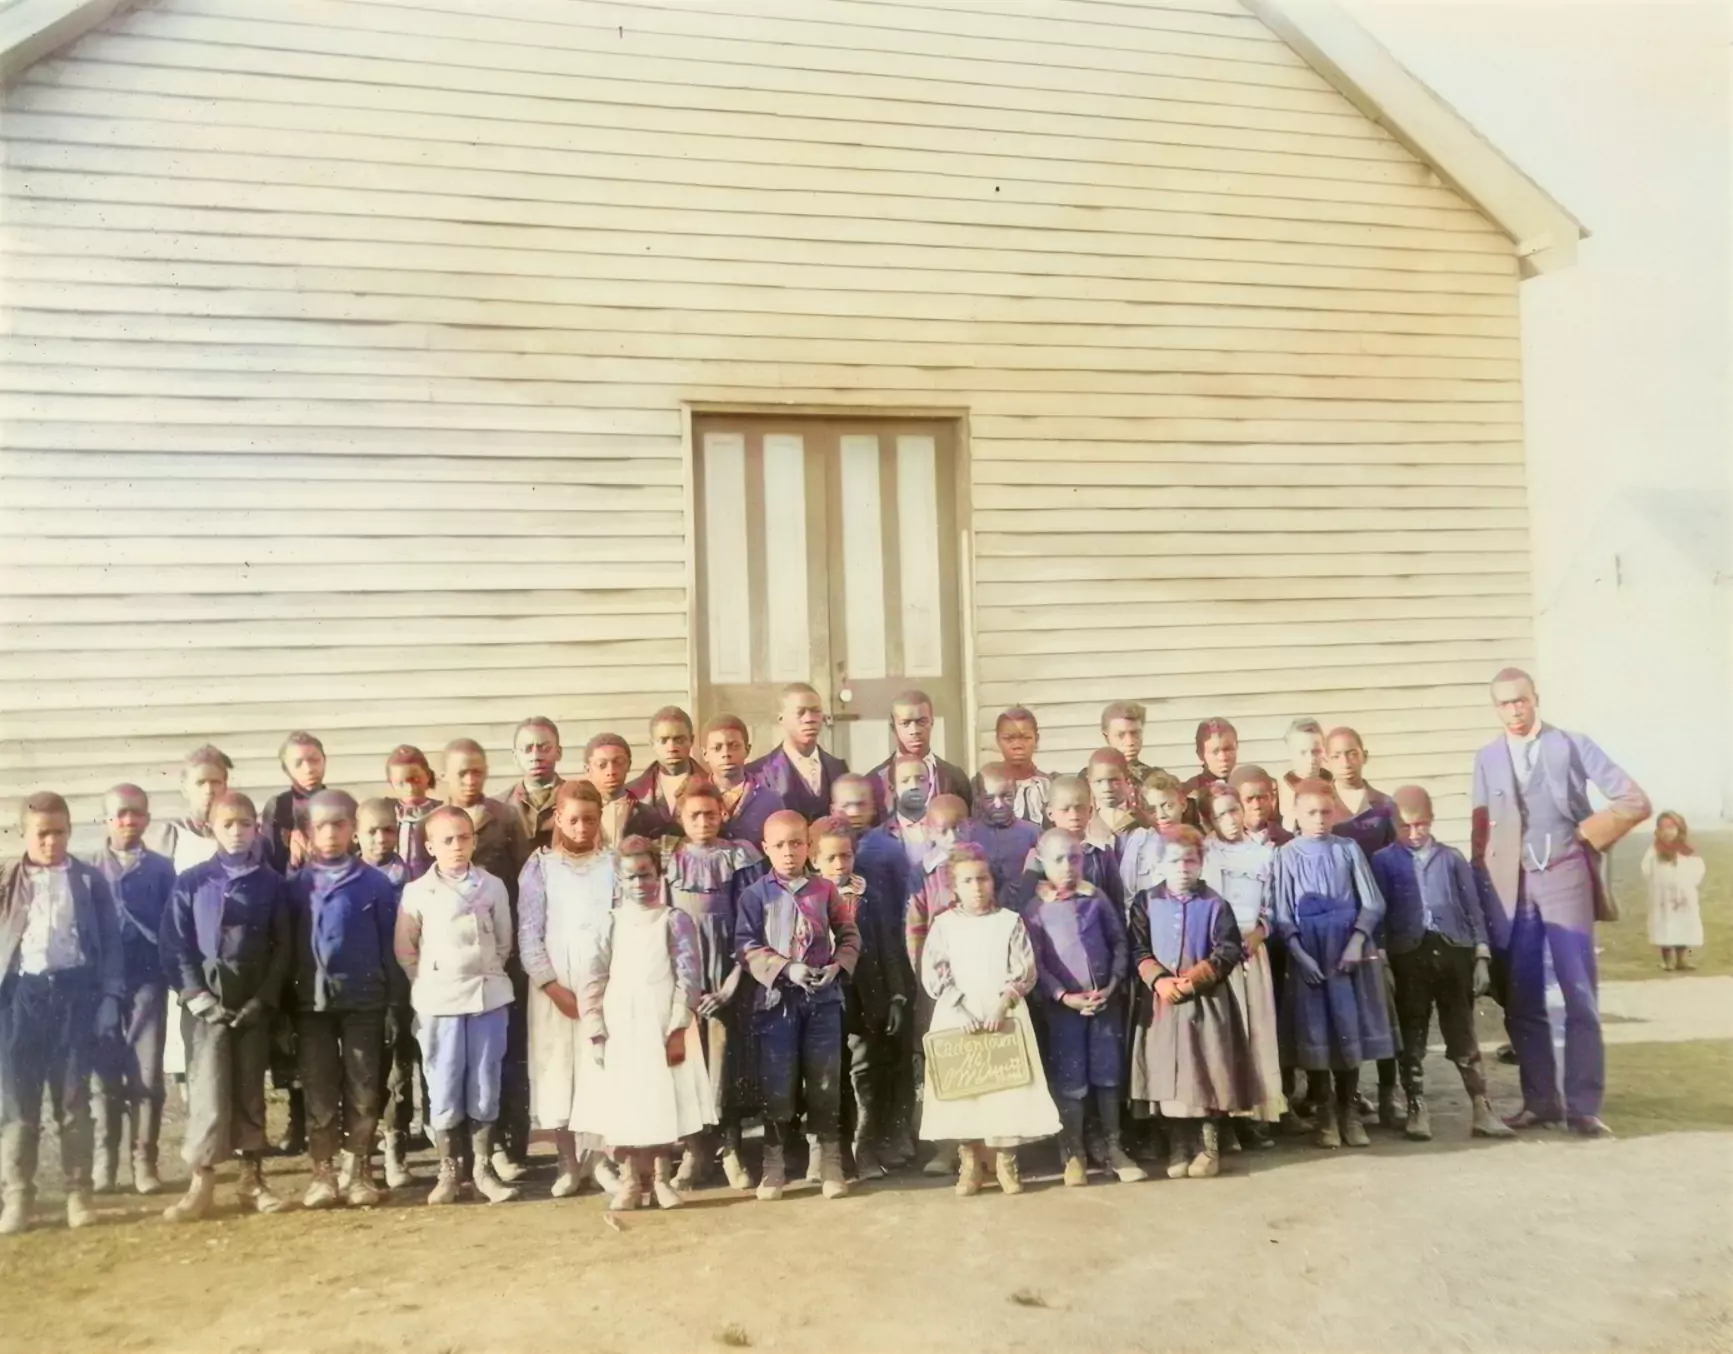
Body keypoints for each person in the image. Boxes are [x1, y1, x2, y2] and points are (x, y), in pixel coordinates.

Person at [1471, 667, 1650, 1137]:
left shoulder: (1571, 744)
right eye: (1504, 703)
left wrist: (1585, 838)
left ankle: (1584, 1105)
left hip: (1565, 874)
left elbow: (1633, 800)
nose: (1514, 711)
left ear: (1536, 699)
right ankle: (1541, 1102)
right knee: (1522, 998)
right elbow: (1479, 834)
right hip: (1512, 888)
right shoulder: (1488, 757)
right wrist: (1483, 895)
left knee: (1579, 992)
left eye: (1521, 701)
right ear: (1496, 708)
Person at [158, 792, 293, 1223]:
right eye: (227, 824)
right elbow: (174, 944)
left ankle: (252, 1180)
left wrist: (263, 999)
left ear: (257, 827)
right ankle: (202, 1180)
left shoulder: (272, 883)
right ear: (211, 828)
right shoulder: (193, 881)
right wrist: (197, 996)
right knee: (208, 1090)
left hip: (252, 1005)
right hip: (206, 1008)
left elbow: (283, 947)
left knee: (250, 1089)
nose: (237, 832)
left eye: (245, 823)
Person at [0, 793, 126, 1235]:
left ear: (70, 831)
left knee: (74, 1101)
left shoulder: (89, 881)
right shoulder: (7, 879)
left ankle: (78, 1191)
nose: (51, 842)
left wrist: (110, 998)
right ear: (24, 834)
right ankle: (17, 1193)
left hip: (74, 997)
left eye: (59, 832)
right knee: (18, 1102)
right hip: (21, 999)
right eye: (42, 834)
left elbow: (110, 944)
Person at [1370, 787, 1515, 1142]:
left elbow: (1473, 908)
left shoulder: (1451, 859)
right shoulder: (1383, 861)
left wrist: (1481, 955)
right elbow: (1379, 914)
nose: (1414, 833)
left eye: (1420, 825)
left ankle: (1482, 1108)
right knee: (1412, 1033)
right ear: (1394, 825)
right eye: (1406, 827)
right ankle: (1417, 1107)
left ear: (1432, 821)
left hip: (1454, 952)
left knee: (1462, 1031)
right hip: (1408, 954)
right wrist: (1384, 959)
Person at [579, 836, 714, 1213]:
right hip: (621, 1023)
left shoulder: (674, 920)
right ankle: (629, 1181)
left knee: (660, 1100)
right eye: (630, 878)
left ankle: (660, 1179)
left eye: (646, 875)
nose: (639, 885)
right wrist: (596, 1029)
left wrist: (676, 1027)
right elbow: (594, 978)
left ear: (660, 874)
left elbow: (689, 976)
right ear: (618, 881)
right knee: (626, 1103)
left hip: (661, 1021)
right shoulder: (609, 922)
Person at [917, 843, 1059, 1197]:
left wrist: (1003, 1004)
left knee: (1005, 1091)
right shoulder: (945, 925)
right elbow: (935, 971)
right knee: (966, 1092)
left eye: (982, 879)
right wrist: (959, 1008)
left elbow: (1023, 970)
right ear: (954, 887)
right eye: (967, 881)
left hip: (1002, 1014)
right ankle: (969, 1163)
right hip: (958, 1015)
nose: (977, 887)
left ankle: (1005, 1162)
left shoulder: (1008, 922)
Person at [394, 806, 519, 1205]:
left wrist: (485, 970)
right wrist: (427, 981)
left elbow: (503, 940)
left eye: (463, 838)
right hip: (439, 1000)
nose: (456, 847)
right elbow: (405, 948)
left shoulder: (492, 886)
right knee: (444, 1081)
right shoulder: (417, 891)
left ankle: (481, 1169)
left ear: (474, 841)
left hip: (487, 995)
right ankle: (449, 1172)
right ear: (430, 846)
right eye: (446, 840)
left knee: (484, 1080)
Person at [736, 810, 861, 1201]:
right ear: (765, 849)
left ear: (808, 846)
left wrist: (838, 966)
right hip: (777, 1003)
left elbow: (849, 935)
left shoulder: (825, 891)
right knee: (779, 1081)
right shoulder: (755, 895)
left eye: (796, 843)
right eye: (779, 845)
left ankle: (830, 1161)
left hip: (822, 1001)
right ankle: (774, 1165)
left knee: (825, 1080)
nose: (789, 853)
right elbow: (745, 945)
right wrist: (786, 970)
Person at [286, 790, 402, 1209]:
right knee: (318, 1091)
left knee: (364, 1088)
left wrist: (392, 1005)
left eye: (340, 824)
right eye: (321, 826)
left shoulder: (375, 883)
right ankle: (323, 1173)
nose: (331, 833)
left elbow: (391, 949)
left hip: (365, 1004)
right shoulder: (297, 886)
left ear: (353, 828)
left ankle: (358, 1172)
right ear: (307, 832)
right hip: (311, 1006)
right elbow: (285, 948)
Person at [1272, 779, 1395, 1150]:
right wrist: (1300, 955)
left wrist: (1358, 941)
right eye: (1311, 812)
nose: (1320, 819)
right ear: (1296, 814)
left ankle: (1349, 1111)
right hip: (1310, 954)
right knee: (1316, 1033)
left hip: (1347, 953)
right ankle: (1325, 1115)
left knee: (1348, 1028)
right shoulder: (1287, 855)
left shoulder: (1348, 850)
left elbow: (1372, 902)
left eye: (1326, 811)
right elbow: (1280, 913)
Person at [1128, 828, 1251, 1180]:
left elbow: (1227, 951)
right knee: (1168, 1072)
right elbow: (1138, 947)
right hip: (1162, 1003)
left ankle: (1207, 1145)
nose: (1182, 868)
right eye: (1174, 860)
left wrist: (1193, 980)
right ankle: (1178, 1144)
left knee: (1205, 1069)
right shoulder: (1146, 902)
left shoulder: (1215, 904)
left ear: (1201, 862)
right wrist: (1160, 980)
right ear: (1159, 864)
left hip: (1205, 1003)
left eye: (1190, 860)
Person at [517, 779, 619, 1199]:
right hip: (554, 991)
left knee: (599, 1067)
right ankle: (566, 1162)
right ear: (558, 818)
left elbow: (622, 921)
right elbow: (528, 933)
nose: (581, 827)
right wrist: (550, 985)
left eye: (590, 819)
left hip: (603, 986)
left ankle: (600, 1159)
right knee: (558, 1070)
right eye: (573, 819)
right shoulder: (540, 868)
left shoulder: (613, 864)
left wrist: (610, 984)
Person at [1021, 829, 1140, 1186]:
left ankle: (1114, 1146)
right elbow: (1035, 964)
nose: (1068, 866)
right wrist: (1062, 996)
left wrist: (1113, 984)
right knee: (1071, 1081)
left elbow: (1119, 942)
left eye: (1074, 858)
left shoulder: (1097, 898)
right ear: (1041, 861)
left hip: (1104, 1002)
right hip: (1065, 1011)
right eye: (1058, 859)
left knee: (1107, 1075)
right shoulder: (1036, 909)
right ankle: (1072, 1150)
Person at [661, 782, 764, 1191]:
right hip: (684, 977)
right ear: (680, 818)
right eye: (694, 815)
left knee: (727, 1067)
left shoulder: (739, 856)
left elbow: (752, 922)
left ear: (723, 813)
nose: (703, 822)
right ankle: (694, 1151)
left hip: (729, 977)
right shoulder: (670, 858)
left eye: (711, 814)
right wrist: (683, 985)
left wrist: (733, 982)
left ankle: (731, 1149)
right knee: (688, 1065)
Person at [441, 738, 532, 1181]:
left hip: (498, 949)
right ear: (446, 777)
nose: (472, 780)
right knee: (451, 1057)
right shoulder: (436, 823)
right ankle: (456, 1152)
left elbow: (521, 877)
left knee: (500, 1051)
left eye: (478, 771)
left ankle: (503, 1145)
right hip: (450, 961)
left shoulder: (504, 816)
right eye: (462, 773)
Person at [87, 784, 177, 1196]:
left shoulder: (160, 869)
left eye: (136, 814)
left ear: (147, 817)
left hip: (146, 983)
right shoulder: (88, 869)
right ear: (107, 819)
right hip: (101, 988)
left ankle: (145, 1160)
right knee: (103, 1077)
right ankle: (104, 1161)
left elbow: (171, 926)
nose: (128, 821)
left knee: (146, 1074)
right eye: (120, 814)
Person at [809, 815, 907, 1180]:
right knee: (826, 1076)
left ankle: (865, 1150)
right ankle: (830, 1152)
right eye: (831, 858)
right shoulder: (807, 896)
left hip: (866, 998)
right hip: (823, 998)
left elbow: (889, 944)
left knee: (865, 1077)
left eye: (846, 856)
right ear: (815, 860)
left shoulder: (869, 895)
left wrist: (896, 994)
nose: (840, 865)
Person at [1323, 726, 1400, 1129]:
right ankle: (1348, 1098)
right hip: (1337, 924)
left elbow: (1394, 872)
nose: (1346, 762)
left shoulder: (1384, 806)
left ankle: (1390, 1092)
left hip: (1377, 921)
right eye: (1337, 755)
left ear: (1363, 755)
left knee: (1386, 1009)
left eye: (1352, 753)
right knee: (1344, 1014)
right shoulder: (1322, 806)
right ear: (1325, 760)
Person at [1200, 785, 1285, 1139]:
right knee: (1230, 1030)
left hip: (1253, 951)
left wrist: (1260, 932)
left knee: (1258, 1030)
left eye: (1234, 810)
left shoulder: (1262, 854)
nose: (1230, 820)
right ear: (1208, 819)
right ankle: (1229, 1114)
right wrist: (1229, 943)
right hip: (1221, 952)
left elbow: (1272, 904)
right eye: (1220, 814)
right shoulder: (1207, 854)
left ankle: (1257, 1114)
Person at [357, 797, 418, 1187]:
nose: (382, 838)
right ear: (357, 834)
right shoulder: (349, 875)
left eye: (389, 830)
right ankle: (362, 1154)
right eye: (372, 831)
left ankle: (395, 1149)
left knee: (399, 1070)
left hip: (399, 984)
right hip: (361, 988)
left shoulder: (409, 877)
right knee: (364, 1073)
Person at [748, 684, 849, 822]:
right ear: (781, 719)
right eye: (800, 712)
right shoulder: (759, 773)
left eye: (816, 711)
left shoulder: (838, 768)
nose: (809, 719)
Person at [869, 689, 971, 815]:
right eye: (905, 723)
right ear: (893, 727)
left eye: (921, 722)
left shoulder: (955, 777)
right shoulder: (875, 780)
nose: (915, 730)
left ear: (932, 722)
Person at [146, 744, 236, 874]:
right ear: (185, 789)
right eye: (200, 783)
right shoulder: (173, 833)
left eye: (215, 782)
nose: (209, 791)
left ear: (225, 786)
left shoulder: (238, 831)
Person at [960, 763, 1040, 905]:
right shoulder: (967, 835)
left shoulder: (1033, 834)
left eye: (1006, 796)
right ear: (978, 797)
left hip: (1025, 911)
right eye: (990, 798)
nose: (999, 804)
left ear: (1016, 792)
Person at [699, 715, 786, 847]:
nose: (726, 753)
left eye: (734, 746)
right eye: (717, 748)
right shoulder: (695, 799)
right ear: (705, 754)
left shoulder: (770, 801)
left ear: (747, 749)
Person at [626, 706, 708, 838]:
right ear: (652, 744)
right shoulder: (633, 794)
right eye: (663, 741)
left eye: (679, 739)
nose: (672, 748)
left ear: (691, 741)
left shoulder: (712, 787)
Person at [259, 731, 328, 876]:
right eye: (298, 763)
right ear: (286, 769)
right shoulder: (277, 807)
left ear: (324, 761)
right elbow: (268, 861)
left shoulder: (339, 804)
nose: (308, 769)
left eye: (314, 760)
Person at [1644, 812, 1705, 972]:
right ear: (1657, 831)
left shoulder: (1686, 850)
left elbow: (1698, 869)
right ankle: (1667, 960)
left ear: (1679, 829)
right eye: (1663, 828)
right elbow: (1646, 870)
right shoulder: (1655, 851)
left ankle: (1682, 960)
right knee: (1665, 925)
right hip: (1663, 896)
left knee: (1683, 925)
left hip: (1684, 895)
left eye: (1671, 828)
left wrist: (1689, 887)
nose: (1667, 832)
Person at [505, 715, 565, 862]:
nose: (536, 756)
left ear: (558, 752)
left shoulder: (577, 799)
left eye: (544, 748)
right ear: (515, 756)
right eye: (527, 749)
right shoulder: (501, 806)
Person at [583, 733, 658, 850]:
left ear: (628, 765)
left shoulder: (648, 816)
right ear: (588, 770)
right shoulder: (578, 815)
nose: (611, 771)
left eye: (618, 762)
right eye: (601, 765)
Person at [981, 706, 1049, 825]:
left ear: (1036, 739)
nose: (1017, 745)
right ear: (998, 740)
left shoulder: (1049, 786)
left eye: (1026, 738)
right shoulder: (984, 788)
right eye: (1009, 739)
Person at [385, 744, 442, 881]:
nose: (409, 788)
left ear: (427, 776)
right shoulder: (387, 812)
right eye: (401, 783)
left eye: (415, 780)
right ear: (391, 782)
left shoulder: (439, 812)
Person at [1181, 718, 1239, 827]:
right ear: (1200, 754)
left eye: (1228, 749)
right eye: (1215, 751)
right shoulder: (1189, 793)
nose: (1223, 757)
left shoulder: (1245, 786)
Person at [1277, 718, 1331, 832]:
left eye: (1316, 751)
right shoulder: (1278, 792)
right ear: (1290, 753)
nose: (1311, 759)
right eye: (1303, 752)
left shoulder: (1335, 788)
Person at [1091, 701, 1158, 785]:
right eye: (1120, 735)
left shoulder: (1154, 778)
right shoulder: (1093, 778)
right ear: (1106, 737)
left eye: (1135, 733)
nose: (1130, 742)